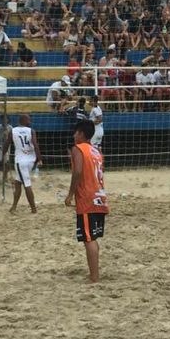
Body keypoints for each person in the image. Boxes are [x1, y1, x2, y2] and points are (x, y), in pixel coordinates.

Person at [65, 120, 109, 283]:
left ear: (81, 134)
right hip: (99, 197)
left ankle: (94, 277)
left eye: (76, 132)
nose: (74, 135)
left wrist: (70, 194)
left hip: (87, 198)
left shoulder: (78, 149)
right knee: (92, 237)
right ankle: (94, 273)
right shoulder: (96, 151)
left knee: (88, 238)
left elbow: (77, 172)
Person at [4, 114, 41, 214]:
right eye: (29, 120)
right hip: (30, 160)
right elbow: (35, 145)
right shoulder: (31, 131)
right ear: (24, 120)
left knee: (26, 184)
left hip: (21, 161)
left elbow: (7, 143)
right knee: (18, 183)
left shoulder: (13, 131)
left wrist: (4, 154)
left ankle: (33, 208)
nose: (30, 122)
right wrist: (39, 159)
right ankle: (13, 207)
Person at [0, 115, 12, 183]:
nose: (4, 121)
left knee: (6, 162)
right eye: (3, 119)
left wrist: (7, 134)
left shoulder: (10, 127)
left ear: (8, 120)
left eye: (6, 119)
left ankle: (5, 176)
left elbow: (11, 137)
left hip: (7, 146)